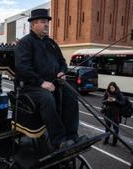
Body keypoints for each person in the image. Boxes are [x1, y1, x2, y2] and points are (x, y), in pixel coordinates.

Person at [15, 9, 83, 149]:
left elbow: (63, 62)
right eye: (43, 22)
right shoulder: (25, 43)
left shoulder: (52, 43)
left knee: (71, 94)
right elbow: (23, 68)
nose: (46, 25)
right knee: (47, 97)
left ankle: (72, 136)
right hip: (30, 87)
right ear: (33, 24)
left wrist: (62, 72)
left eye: (47, 22)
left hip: (53, 83)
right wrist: (41, 82)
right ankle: (58, 140)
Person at [102, 82, 125, 146]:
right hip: (108, 113)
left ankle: (114, 142)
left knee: (116, 129)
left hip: (116, 114)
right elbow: (103, 102)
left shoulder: (119, 94)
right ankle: (106, 140)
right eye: (110, 88)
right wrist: (107, 100)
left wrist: (115, 100)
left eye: (112, 88)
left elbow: (122, 103)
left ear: (115, 87)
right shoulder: (107, 93)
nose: (111, 89)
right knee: (107, 128)